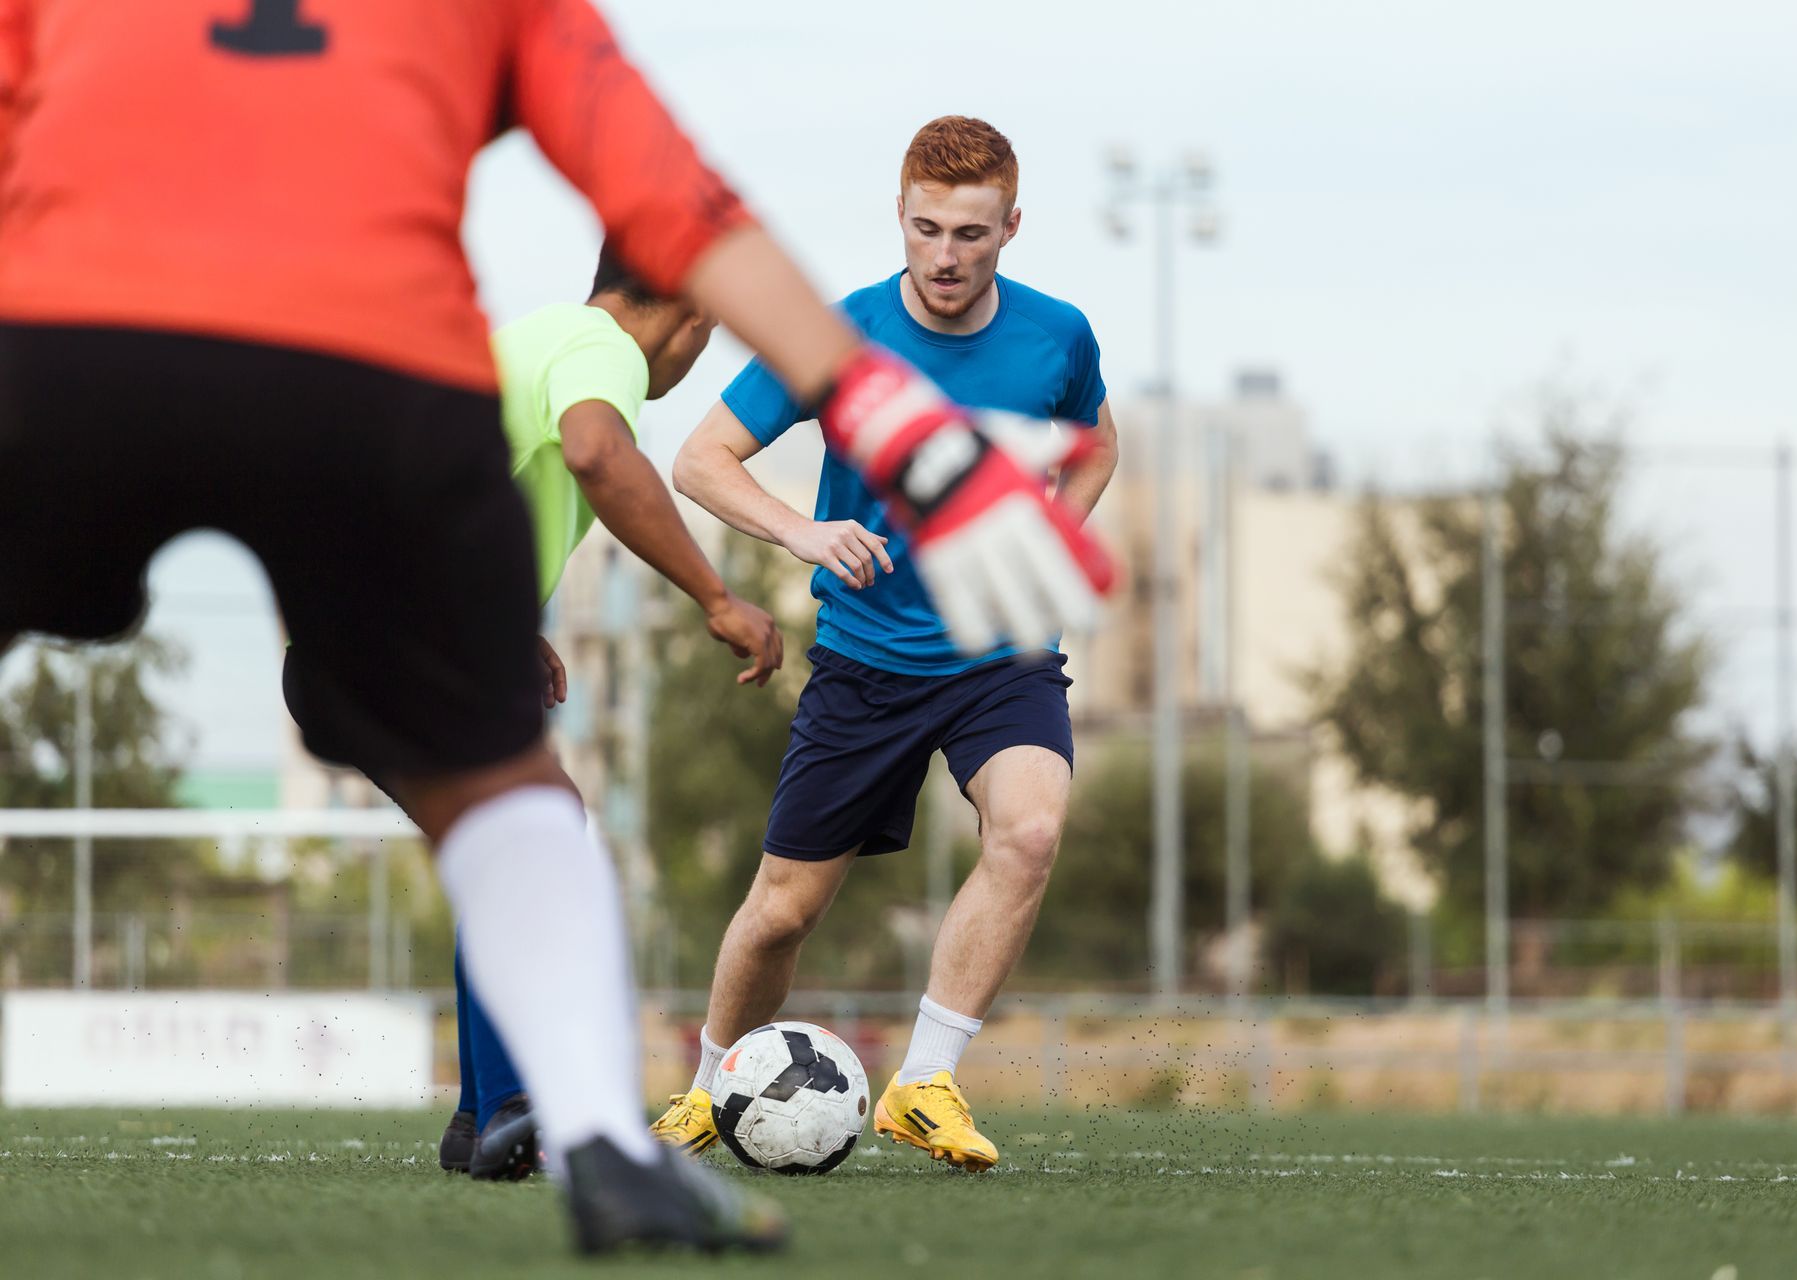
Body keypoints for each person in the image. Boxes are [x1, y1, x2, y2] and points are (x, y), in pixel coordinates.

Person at [0, 3, 1108, 1255]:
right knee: (522, 811)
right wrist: (762, 543)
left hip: (78, 336)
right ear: (681, 323)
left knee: (535, 801)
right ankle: (583, 1131)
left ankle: (517, 1114)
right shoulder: (512, 56)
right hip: (351, 366)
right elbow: (661, 282)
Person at [652, 116, 1119, 1172]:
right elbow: (701, 458)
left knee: (1032, 831)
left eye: (970, 233)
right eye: (926, 229)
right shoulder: (838, 338)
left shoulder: (1059, 335)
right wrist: (805, 530)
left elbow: (1096, 447)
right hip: (865, 666)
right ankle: (704, 1086)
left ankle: (927, 1081)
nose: (946, 256)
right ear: (898, 219)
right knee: (781, 912)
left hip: (999, 658)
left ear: (1010, 227)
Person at [276, 239, 783, 1183]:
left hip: (355, 643)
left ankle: (485, 1116)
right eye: (703, 335)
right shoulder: (605, 354)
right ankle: (513, 1107)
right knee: (533, 829)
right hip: (390, 646)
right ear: (688, 316)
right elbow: (596, 451)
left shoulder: (532, 340)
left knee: (518, 834)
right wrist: (716, 596)